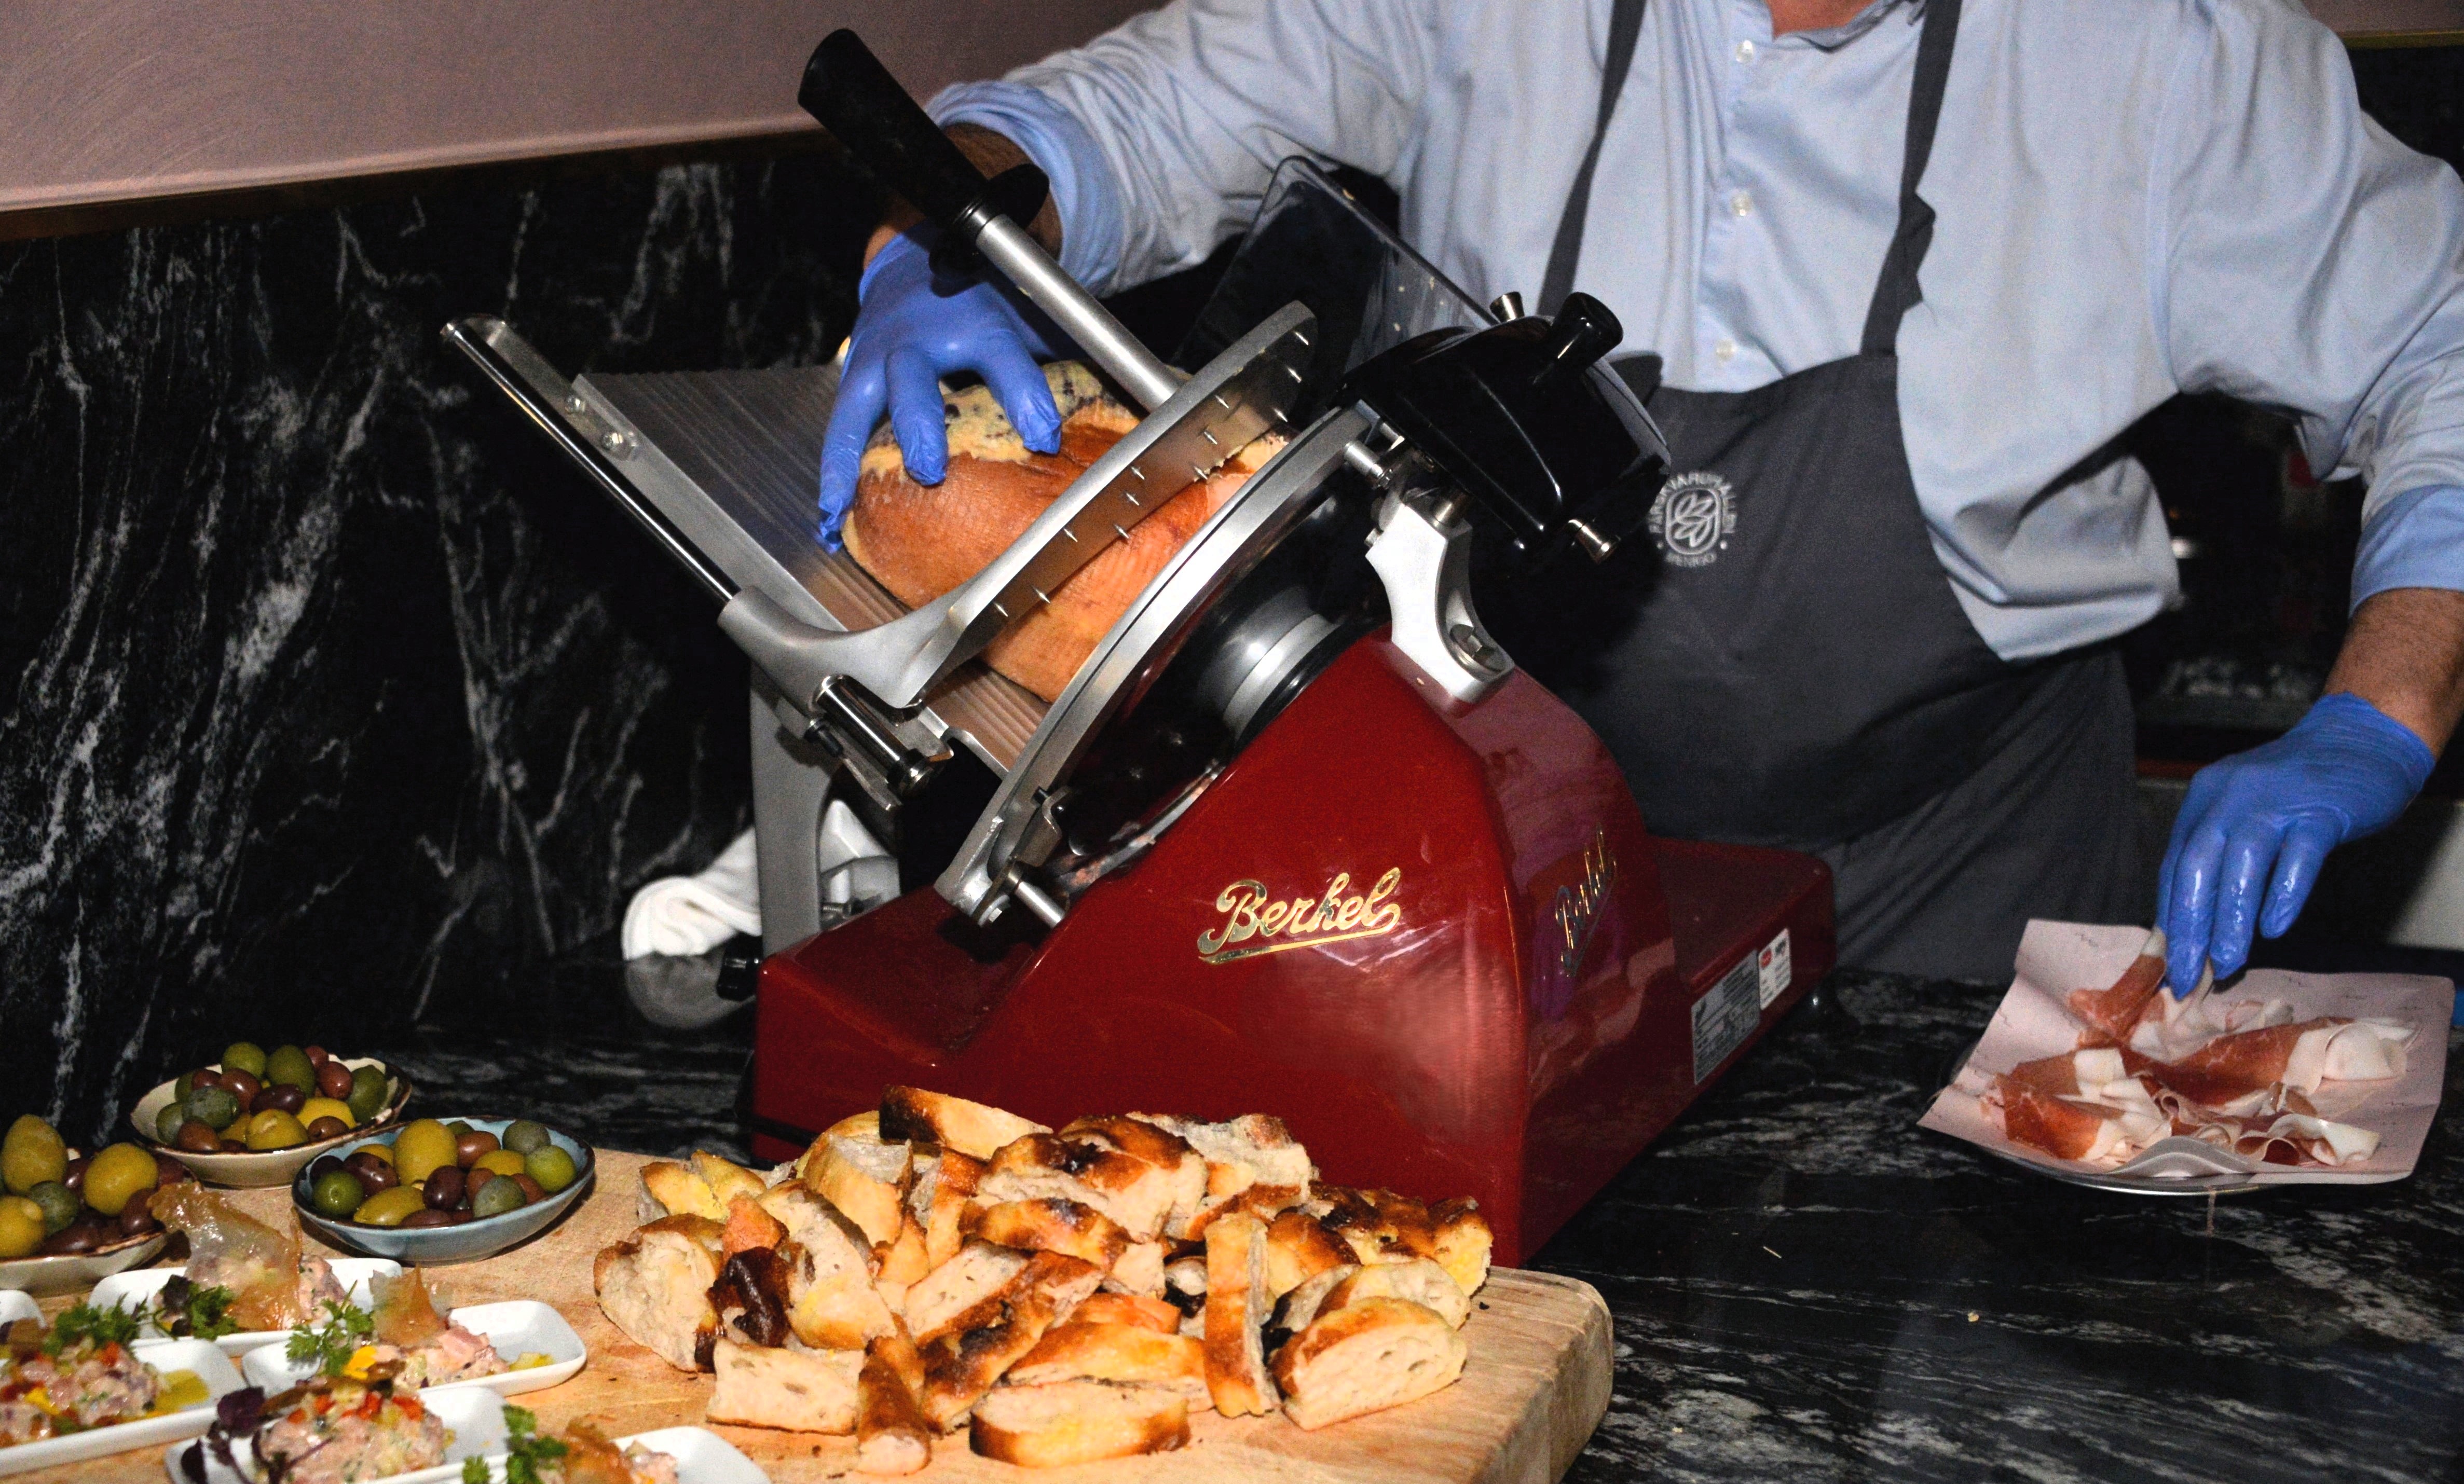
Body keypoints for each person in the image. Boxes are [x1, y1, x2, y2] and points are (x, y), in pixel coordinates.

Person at [816, 0, 2464, 986]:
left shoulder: (2163, 57)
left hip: (1975, 875)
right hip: (1542, 854)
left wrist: (2376, 714)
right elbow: (1120, 117)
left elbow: (2437, 340)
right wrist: (941, 241)